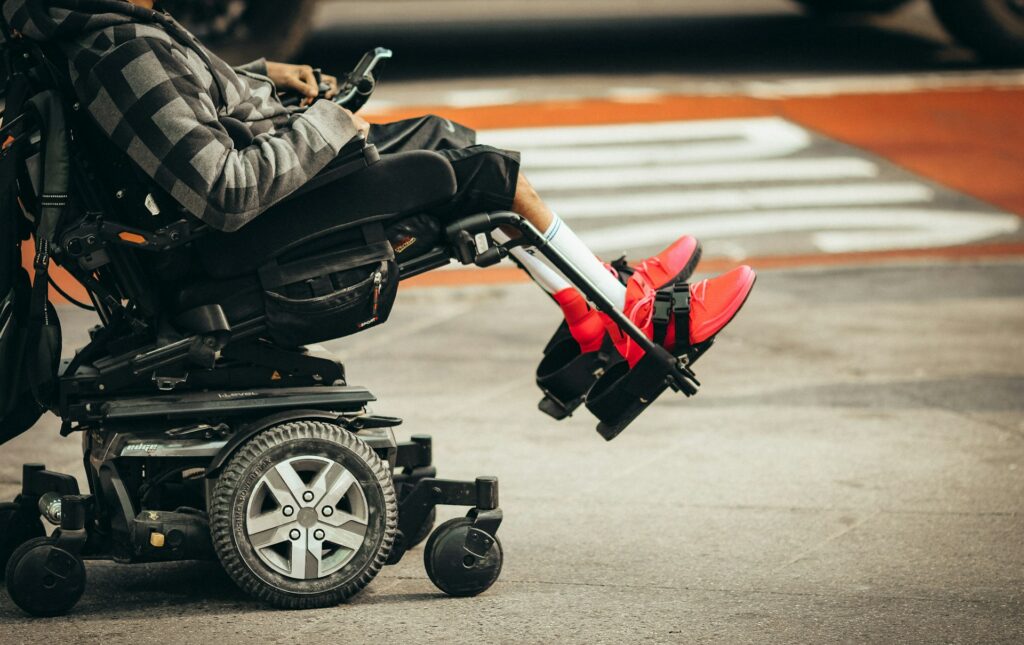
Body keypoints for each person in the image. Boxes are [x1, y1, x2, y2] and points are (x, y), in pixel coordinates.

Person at [2, 0, 755, 365]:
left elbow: (184, 109)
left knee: (448, 141)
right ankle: (630, 319)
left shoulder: (106, 30)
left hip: (232, 219)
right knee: (471, 168)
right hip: (235, 243)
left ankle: (598, 302)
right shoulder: (119, 47)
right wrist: (328, 124)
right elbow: (223, 189)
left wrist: (260, 80)